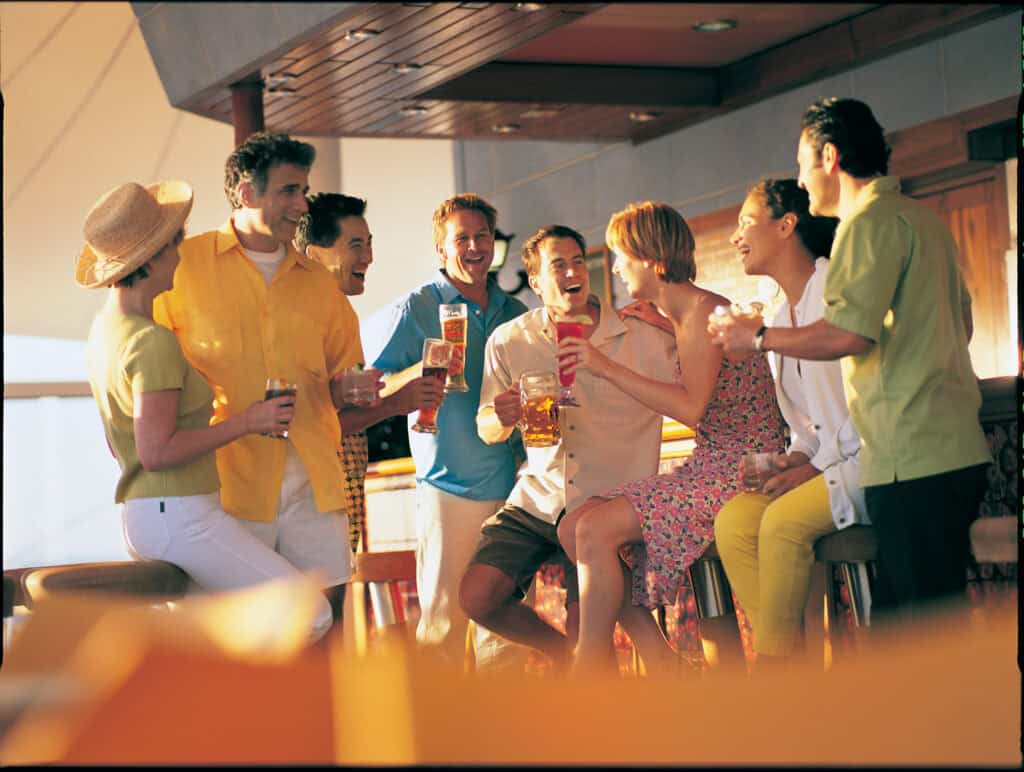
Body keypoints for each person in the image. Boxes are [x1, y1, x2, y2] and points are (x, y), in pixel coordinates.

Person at [712, 98, 991, 624]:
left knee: (918, 642)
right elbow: (965, 323)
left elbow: (849, 334)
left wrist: (760, 337)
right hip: (945, 448)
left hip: (910, 458)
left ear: (830, 158)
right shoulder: (918, 218)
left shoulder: (866, 225)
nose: (801, 176)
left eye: (802, 163)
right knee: (915, 629)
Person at [77, 180, 334, 641]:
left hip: (149, 514)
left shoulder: (103, 332)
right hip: (181, 515)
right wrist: (249, 421)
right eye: (174, 245)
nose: (180, 255)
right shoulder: (150, 340)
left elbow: (121, 445)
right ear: (150, 259)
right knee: (309, 612)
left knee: (210, 641)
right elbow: (155, 451)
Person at [556, 201, 787, 674]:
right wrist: (664, 320)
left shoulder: (705, 312)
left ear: (652, 260)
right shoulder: (687, 313)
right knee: (570, 525)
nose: (616, 268)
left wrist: (603, 366)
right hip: (712, 463)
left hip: (741, 470)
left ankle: (592, 673)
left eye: (622, 256)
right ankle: (661, 663)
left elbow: (690, 407)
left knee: (593, 529)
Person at [153, 132, 362, 628]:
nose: (301, 204)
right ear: (247, 194)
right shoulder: (184, 267)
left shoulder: (319, 282)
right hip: (226, 485)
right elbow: (150, 370)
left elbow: (343, 372)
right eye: (289, 191)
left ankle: (319, 710)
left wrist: (352, 388)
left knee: (326, 621)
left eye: (304, 191)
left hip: (314, 481)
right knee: (238, 633)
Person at [459, 225, 679, 670]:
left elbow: (697, 389)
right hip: (538, 497)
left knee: (591, 643)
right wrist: (499, 417)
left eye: (578, 261)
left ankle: (609, 720)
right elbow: (485, 425)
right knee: (476, 597)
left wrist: (677, 323)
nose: (573, 271)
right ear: (536, 280)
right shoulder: (510, 339)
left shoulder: (643, 336)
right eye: (558, 265)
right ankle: (560, 653)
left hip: (608, 503)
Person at [712, 178, 867, 667]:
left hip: (870, 462)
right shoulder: (778, 312)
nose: (736, 237)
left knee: (780, 522)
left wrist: (812, 469)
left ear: (786, 225)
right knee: (734, 520)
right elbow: (808, 430)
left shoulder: (835, 292)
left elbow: (860, 411)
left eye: (745, 223)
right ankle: (791, 669)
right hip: (825, 464)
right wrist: (790, 460)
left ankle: (776, 679)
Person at [370, 194, 529, 670]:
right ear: (440, 249)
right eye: (462, 238)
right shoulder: (416, 307)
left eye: (483, 236)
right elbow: (370, 389)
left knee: (503, 626)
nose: (475, 246)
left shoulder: (514, 309)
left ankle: (506, 737)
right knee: (442, 625)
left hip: (515, 485)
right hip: (447, 485)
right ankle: (438, 736)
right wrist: (422, 369)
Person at [295, 193, 445, 560]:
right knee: (318, 609)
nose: (369, 257)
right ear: (315, 254)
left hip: (337, 490)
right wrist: (396, 403)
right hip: (313, 493)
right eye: (356, 245)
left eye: (370, 243)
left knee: (328, 607)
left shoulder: (338, 313)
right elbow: (318, 419)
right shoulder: (301, 321)